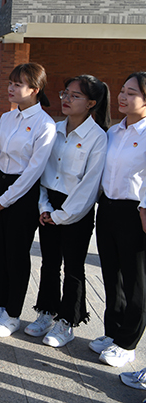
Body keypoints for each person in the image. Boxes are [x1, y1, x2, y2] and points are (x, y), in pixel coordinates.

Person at [24, 75, 110, 347]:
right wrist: (44, 207)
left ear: (91, 103)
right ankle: (46, 311)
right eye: (65, 93)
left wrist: (61, 216)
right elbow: (42, 172)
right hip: (49, 203)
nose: (66, 99)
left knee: (73, 267)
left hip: (77, 209)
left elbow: (89, 186)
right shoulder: (55, 129)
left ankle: (67, 322)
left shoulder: (98, 138)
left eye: (75, 96)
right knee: (49, 263)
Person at [0, 62, 56, 338]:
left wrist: (6, 199)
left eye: (18, 84)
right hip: (0, 188)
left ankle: (12, 314)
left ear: (35, 89)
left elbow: (34, 170)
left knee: (16, 254)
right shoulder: (7, 117)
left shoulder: (45, 125)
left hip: (23, 194)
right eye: (10, 83)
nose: (11, 88)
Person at [92, 72, 146, 368]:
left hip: (136, 211)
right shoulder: (114, 132)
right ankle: (113, 332)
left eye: (132, 93)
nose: (123, 97)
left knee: (136, 280)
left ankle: (127, 343)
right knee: (112, 275)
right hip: (108, 208)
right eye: (122, 90)